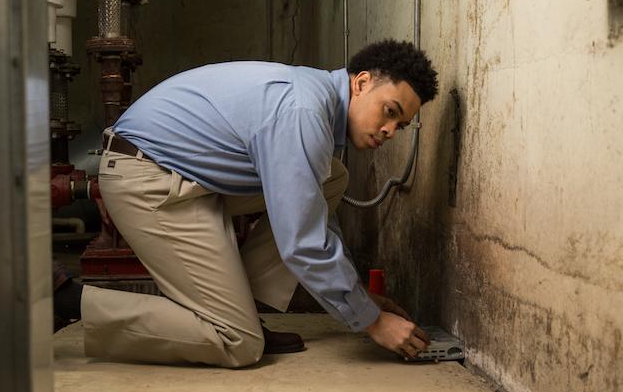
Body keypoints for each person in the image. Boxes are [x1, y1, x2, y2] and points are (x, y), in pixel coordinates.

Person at [53, 39, 438, 367]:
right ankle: (70, 302)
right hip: (146, 179)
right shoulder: (304, 111)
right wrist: (371, 321)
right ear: (362, 83)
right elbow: (303, 241)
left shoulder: (316, 102)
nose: (390, 130)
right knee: (238, 342)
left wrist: (356, 293)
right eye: (390, 111)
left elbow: (313, 215)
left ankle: (243, 306)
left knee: (331, 178)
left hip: (187, 178)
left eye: (401, 125)